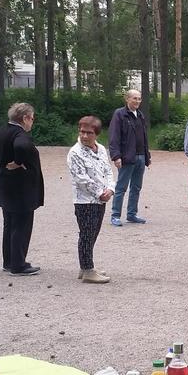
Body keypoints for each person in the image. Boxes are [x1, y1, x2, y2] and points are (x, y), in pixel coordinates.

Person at [0, 103, 45, 276]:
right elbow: (21, 147)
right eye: (32, 118)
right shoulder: (20, 134)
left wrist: (3, 153)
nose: (32, 122)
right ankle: (18, 265)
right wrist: (18, 162)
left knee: (9, 222)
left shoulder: (3, 131)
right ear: (25, 118)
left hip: (4, 182)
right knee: (21, 223)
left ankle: (9, 261)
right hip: (20, 186)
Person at [66, 116, 115, 283]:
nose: (85, 136)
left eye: (89, 133)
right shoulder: (75, 153)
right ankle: (87, 270)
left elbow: (108, 170)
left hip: (101, 199)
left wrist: (111, 189)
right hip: (85, 200)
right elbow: (81, 179)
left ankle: (85, 265)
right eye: (82, 132)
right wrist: (100, 193)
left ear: (97, 134)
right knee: (86, 234)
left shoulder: (100, 149)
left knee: (94, 233)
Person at [108, 89, 151, 226]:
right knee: (121, 187)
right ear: (127, 99)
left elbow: (144, 137)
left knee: (136, 187)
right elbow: (114, 136)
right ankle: (115, 215)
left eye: (139, 98)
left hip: (141, 156)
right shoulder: (119, 114)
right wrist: (116, 156)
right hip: (127, 157)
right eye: (134, 98)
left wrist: (147, 155)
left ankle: (132, 214)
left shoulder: (140, 115)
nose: (137, 101)